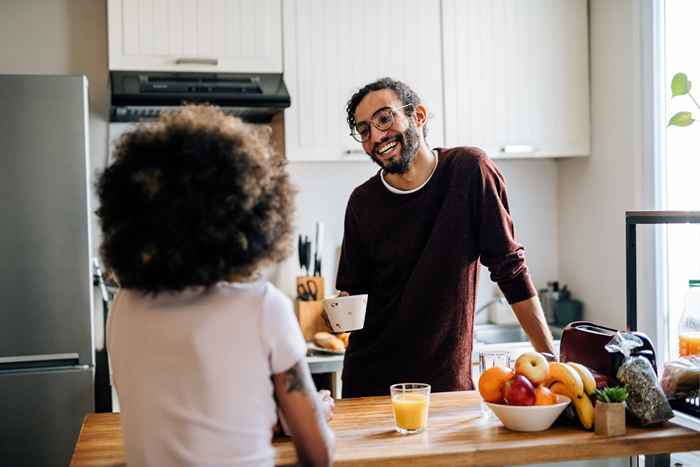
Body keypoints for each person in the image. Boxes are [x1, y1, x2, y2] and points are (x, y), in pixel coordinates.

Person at [97, 105, 334, 467]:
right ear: (246, 214)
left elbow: (180, 420)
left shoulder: (124, 307)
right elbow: (317, 454)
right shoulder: (263, 307)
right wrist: (305, 414)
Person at [336, 78, 555, 398]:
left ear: (419, 116)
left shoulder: (469, 171)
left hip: (444, 387)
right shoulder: (362, 202)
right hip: (370, 385)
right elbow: (353, 295)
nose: (376, 136)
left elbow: (510, 269)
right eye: (364, 130)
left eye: (384, 118)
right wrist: (337, 311)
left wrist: (551, 361)